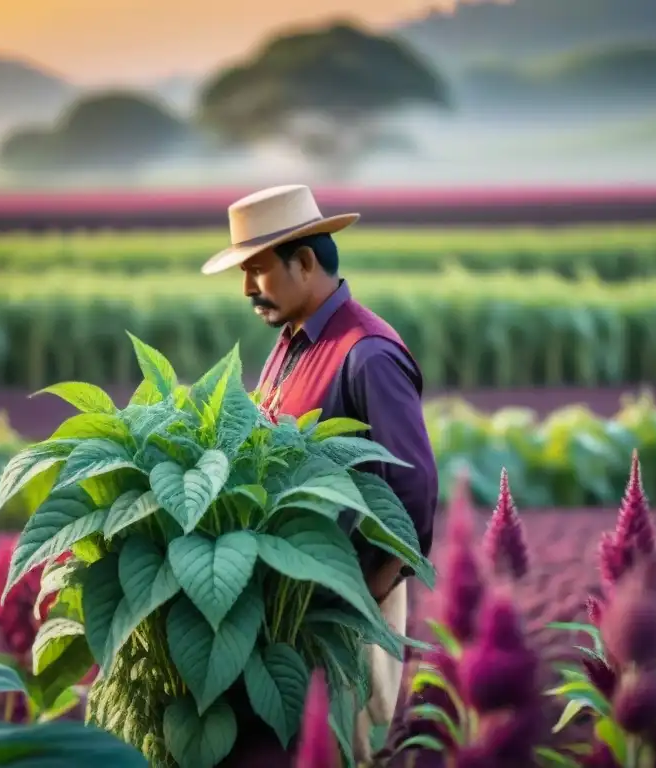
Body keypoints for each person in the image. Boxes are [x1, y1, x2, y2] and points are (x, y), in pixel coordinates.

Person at [201, 184, 439, 764]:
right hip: (291, 610)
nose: (247, 289)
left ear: (304, 261)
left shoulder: (367, 353)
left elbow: (413, 490)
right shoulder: (291, 343)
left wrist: (369, 589)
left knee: (343, 750)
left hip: (344, 611)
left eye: (257, 270)